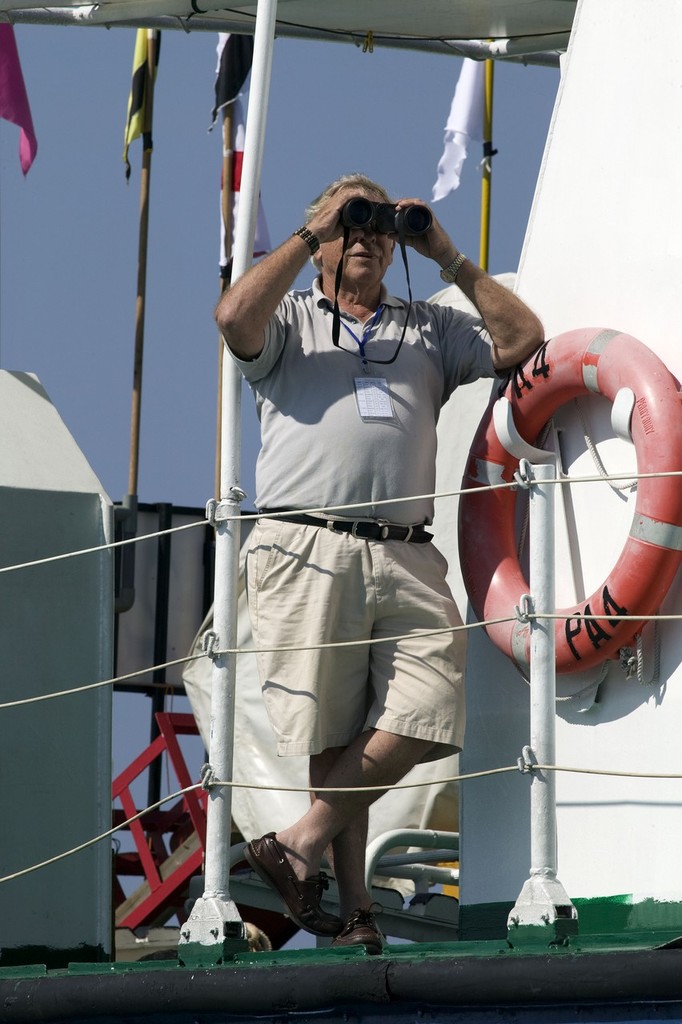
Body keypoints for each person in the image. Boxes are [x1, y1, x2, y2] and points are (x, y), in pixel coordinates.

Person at [215, 172, 544, 954]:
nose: (366, 235)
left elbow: (523, 342)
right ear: (323, 237)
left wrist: (447, 254)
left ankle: (296, 844)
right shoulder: (290, 319)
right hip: (307, 543)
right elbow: (232, 317)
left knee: (431, 711)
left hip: (405, 549)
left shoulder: (427, 326)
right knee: (333, 736)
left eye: (379, 225)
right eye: (349, 223)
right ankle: (355, 910)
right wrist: (307, 234)